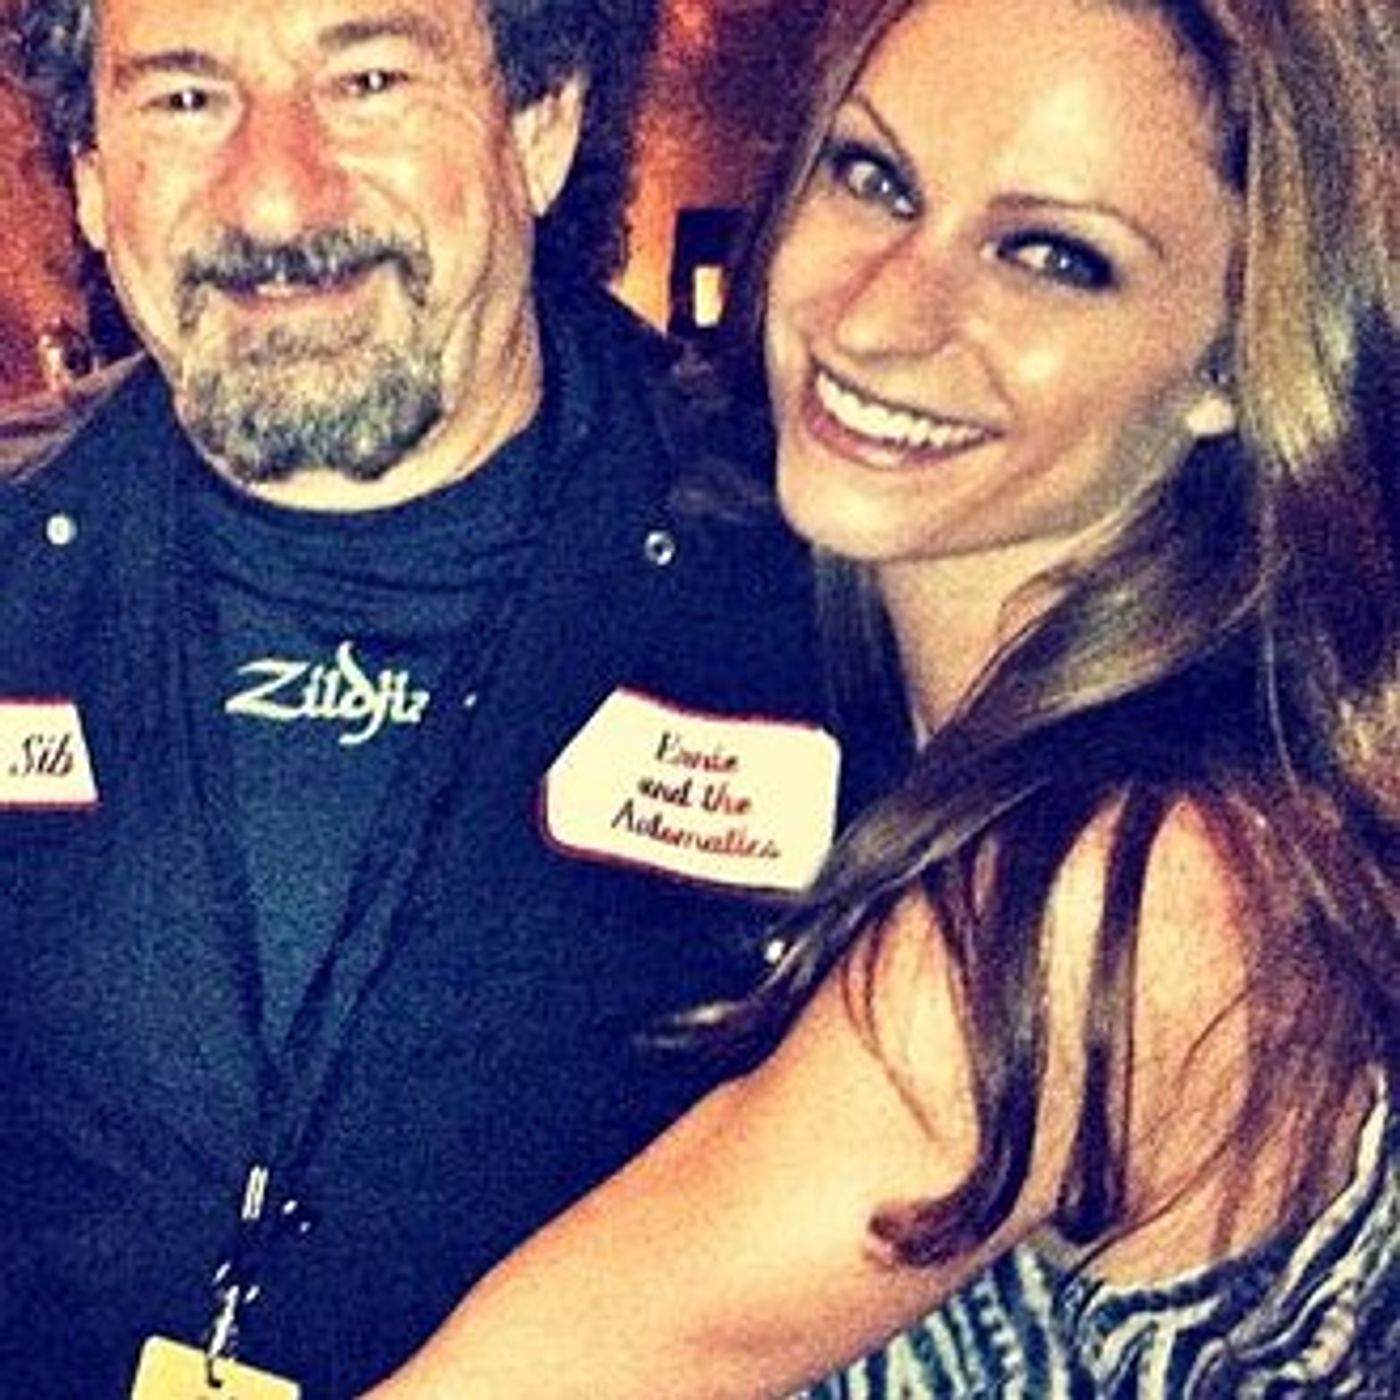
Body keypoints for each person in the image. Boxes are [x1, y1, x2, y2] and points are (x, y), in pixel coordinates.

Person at [364, 0, 1399, 1393]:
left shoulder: (1134, 894)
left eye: (1051, 257)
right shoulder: (887, 721)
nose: (879, 315)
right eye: (875, 178)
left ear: (1230, 361)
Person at [0, 0, 868, 1393]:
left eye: (370, 79)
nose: (276, 196)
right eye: (184, 99)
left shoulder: (822, 600)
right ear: (95, 179)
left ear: (542, 125)